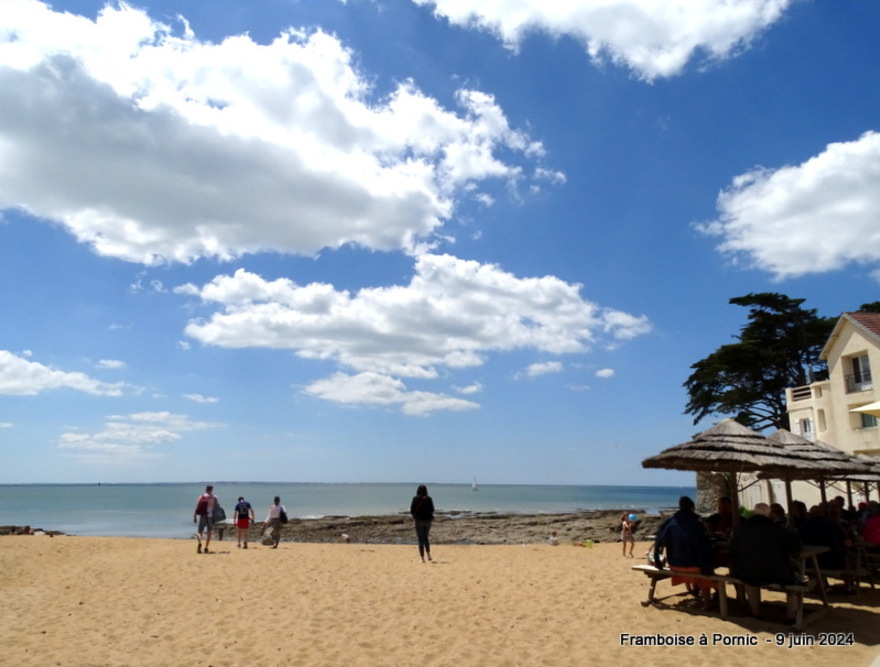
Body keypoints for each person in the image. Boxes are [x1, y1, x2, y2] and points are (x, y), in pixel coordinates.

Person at [729, 503, 802, 622]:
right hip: (776, 573)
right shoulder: (778, 529)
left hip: (747, 571)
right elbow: (795, 546)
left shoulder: (740, 529)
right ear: (769, 514)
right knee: (793, 578)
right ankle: (791, 614)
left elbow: (733, 550)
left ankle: (755, 611)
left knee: (749, 579)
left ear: (754, 512)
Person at [653, 496, 716, 609]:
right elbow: (703, 544)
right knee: (704, 568)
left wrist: (658, 563)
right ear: (692, 508)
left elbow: (658, 543)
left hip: (674, 564)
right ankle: (707, 603)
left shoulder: (670, 522)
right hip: (693, 566)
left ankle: (695, 590)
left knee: (693, 560)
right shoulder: (696, 523)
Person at [410, 484, 435, 563]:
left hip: (418, 520)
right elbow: (432, 509)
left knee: (421, 539)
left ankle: (422, 558)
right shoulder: (429, 499)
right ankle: (428, 555)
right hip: (428, 520)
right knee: (425, 537)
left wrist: (416, 515)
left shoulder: (415, 498)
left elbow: (412, 510)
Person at [193, 485, 218, 554]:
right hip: (211, 516)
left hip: (203, 515)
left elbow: (197, 507)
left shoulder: (202, 497)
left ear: (206, 489)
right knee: (209, 533)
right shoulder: (214, 497)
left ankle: (199, 543)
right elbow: (217, 507)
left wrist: (195, 516)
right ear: (212, 490)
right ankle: (206, 547)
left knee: (199, 532)